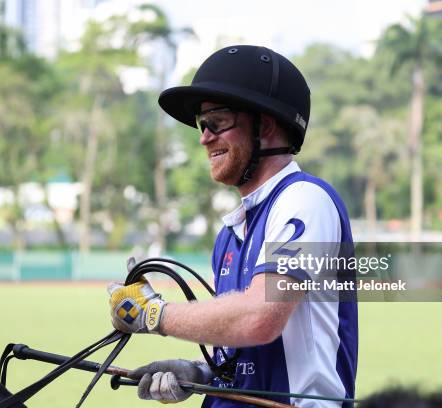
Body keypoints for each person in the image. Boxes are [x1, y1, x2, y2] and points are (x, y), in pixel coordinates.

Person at [108, 45, 358, 407]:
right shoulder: (229, 235)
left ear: (266, 125)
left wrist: (153, 314)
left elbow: (259, 318)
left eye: (217, 122)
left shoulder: (305, 199)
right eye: (201, 124)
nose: (204, 137)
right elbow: (242, 360)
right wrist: (200, 374)